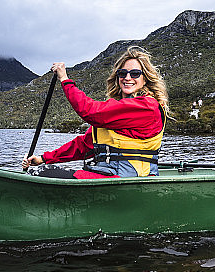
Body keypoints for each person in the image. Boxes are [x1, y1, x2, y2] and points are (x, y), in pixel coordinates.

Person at [22, 46, 170, 179]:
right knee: (42, 169)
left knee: (43, 173)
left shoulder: (147, 106)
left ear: (145, 79)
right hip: (107, 174)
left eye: (135, 74)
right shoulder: (117, 113)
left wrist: (65, 80)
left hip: (128, 179)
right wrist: (43, 159)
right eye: (122, 73)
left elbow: (91, 111)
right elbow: (83, 145)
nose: (127, 78)